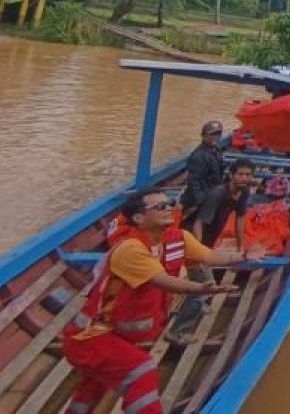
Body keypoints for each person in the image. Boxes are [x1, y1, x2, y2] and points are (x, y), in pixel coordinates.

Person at [62, 188, 264, 414]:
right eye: (159, 206)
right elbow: (162, 281)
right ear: (139, 218)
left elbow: (210, 256)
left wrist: (243, 256)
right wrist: (201, 288)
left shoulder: (178, 239)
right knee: (142, 370)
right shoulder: (131, 249)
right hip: (90, 337)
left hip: (117, 336)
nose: (169, 208)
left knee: (93, 386)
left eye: (169, 202)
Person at [167, 158, 256, 345]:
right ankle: (177, 332)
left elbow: (240, 220)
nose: (244, 178)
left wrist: (241, 248)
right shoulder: (217, 194)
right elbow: (199, 223)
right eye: (240, 174)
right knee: (205, 284)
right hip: (190, 238)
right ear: (231, 175)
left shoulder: (244, 192)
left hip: (206, 242)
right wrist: (199, 253)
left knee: (200, 281)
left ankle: (198, 303)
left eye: (248, 174)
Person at [180, 120, 228, 230]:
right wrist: (201, 201)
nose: (215, 137)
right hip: (201, 196)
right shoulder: (199, 156)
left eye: (218, 134)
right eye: (212, 134)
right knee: (197, 223)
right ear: (203, 136)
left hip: (213, 192)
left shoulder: (215, 150)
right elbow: (194, 182)